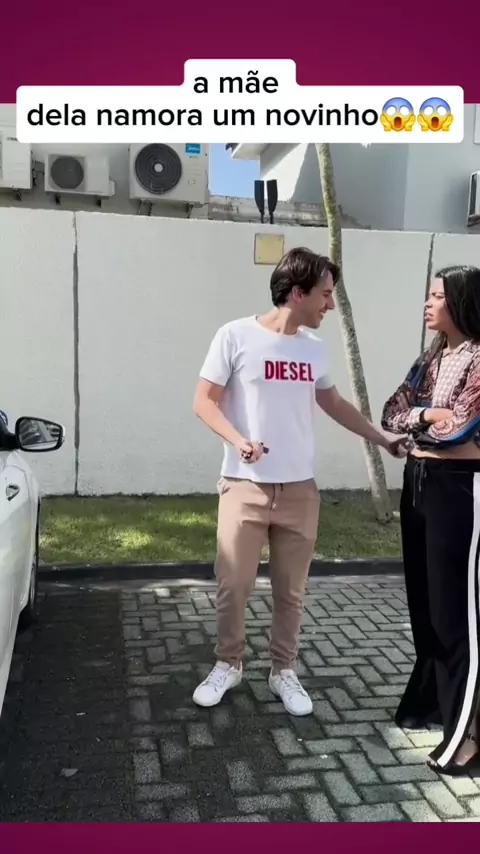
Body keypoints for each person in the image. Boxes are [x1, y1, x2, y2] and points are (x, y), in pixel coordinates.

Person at [191, 246, 405, 716]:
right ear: (297, 292)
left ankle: (283, 670)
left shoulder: (313, 349)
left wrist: (382, 437)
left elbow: (335, 404)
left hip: (300, 492)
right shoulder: (235, 336)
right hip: (244, 485)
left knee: (291, 591)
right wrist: (239, 440)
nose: (331, 304)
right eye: (325, 295)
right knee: (233, 585)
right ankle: (229, 663)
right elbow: (204, 401)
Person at [381, 264, 480, 776]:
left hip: (459, 490)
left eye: (437, 296)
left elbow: (459, 431)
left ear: (462, 301)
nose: (428, 302)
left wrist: (425, 425)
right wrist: (426, 416)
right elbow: (391, 412)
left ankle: (468, 736)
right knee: (424, 607)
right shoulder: (432, 357)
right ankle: (434, 702)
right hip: (419, 483)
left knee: (454, 613)